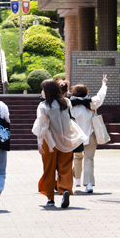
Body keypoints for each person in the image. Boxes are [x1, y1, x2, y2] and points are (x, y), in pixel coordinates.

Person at [32, 79, 87, 209]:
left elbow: (42, 126)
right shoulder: (66, 103)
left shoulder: (44, 106)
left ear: (47, 91)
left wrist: (39, 143)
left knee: (49, 168)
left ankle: (50, 198)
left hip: (49, 141)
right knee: (66, 167)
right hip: (66, 140)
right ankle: (65, 189)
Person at [70, 74, 108, 193]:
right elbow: (101, 96)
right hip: (90, 135)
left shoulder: (70, 105)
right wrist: (104, 84)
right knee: (89, 159)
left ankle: (76, 179)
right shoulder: (91, 104)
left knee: (77, 157)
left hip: (75, 136)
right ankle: (89, 184)